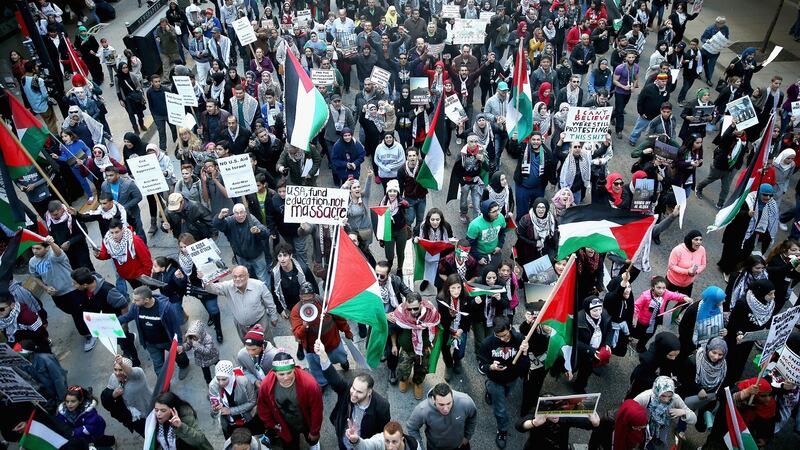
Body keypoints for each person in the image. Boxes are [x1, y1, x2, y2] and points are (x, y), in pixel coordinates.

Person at [314, 339, 391, 450]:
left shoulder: (382, 406)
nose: (353, 394)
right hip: (343, 438)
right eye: (353, 389)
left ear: (369, 392)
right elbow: (334, 379)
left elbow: (381, 433)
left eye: (359, 392)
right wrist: (323, 355)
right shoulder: (348, 389)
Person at [28, 236, 97, 351]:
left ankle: (88, 335)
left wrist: (53, 243)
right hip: (57, 294)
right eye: (33, 248)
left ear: (47, 248)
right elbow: (35, 277)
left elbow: (58, 253)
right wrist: (45, 288)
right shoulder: (33, 261)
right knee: (70, 310)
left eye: (38, 248)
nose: (34, 251)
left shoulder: (54, 254)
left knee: (78, 313)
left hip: (71, 290)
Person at [478, 316, 529, 449]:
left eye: (505, 335)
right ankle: (502, 431)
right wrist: (491, 367)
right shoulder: (487, 343)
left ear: (510, 328)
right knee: (500, 409)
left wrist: (525, 353)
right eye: (498, 336)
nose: (502, 339)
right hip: (495, 379)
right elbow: (481, 366)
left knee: (504, 393)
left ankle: (489, 389)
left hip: (512, 379)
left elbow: (525, 365)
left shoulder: (520, 340)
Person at [117, 286, 190, 377]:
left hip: (168, 341)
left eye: (136, 300)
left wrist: (179, 343)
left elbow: (175, 326)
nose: (133, 302)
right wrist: (112, 321)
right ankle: (163, 386)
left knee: (179, 356)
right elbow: (127, 317)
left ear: (146, 300)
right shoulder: (136, 307)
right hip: (150, 343)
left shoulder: (166, 308)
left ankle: (184, 365)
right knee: (158, 366)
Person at [256, 352, 323, 450]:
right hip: (284, 424)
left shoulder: (310, 384)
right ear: (274, 373)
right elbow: (263, 407)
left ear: (294, 369)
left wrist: (314, 431)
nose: (286, 377)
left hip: (305, 420)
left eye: (289, 372)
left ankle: (313, 444)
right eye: (281, 374)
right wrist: (272, 424)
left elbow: (317, 410)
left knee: (312, 439)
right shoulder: (266, 385)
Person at [291, 282, 353, 387]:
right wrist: (305, 326)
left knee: (340, 355)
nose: (307, 302)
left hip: (332, 343)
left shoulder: (325, 303)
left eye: (309, 299)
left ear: (314, 296)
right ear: (300, 297)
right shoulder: (296, 311)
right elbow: (298, 334)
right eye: (304, 299)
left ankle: (344, 362)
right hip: (313, 348)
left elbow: (339, 318)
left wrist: (347, 331)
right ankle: (322, 383)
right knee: (315, 367)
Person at [204, 265, 280, 344]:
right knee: (249, 346)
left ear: (247, 276)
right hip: (242, 327)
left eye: (241, 276)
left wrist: (273, 316)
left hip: (260, 324)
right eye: (235, 277)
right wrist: (204, 278)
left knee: (267, 344)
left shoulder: (259, 285)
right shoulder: (228, 286)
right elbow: (211, 289)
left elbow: (270, 302)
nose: (237, 279)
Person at [724, 279, 775, 386]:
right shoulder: (743, 303)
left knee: (741, 358)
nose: (773, 296)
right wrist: (739, 334)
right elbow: (733, 322)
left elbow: (767, 320)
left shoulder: (769, 305)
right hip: (736, 338)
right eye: (770, 294)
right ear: (761, 292)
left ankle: (733, 378)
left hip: (750, 338)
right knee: (730, 357)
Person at [391, 291, 441, 398]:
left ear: (421, 304)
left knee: (421, 369)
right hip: (406, 350)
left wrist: (432, 345)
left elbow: (436, 329)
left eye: (415, 308)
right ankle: (404, 380)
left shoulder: (431, 313)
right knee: (402, 369)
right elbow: (393, 330)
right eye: (409, 309)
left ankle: (418, 383)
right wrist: (394, 345)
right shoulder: (400, 313)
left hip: (424, 350)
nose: (412, 311)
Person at [677, 336, 728, 432]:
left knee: (702, 424)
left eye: (721, 354)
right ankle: (680, 430)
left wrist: (715, 394)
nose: (716, 357)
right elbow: (684, 379)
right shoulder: (694, 360)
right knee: (686, 412)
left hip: (708, 396)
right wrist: (698, 389)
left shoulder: (723, 365)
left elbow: (722, 381)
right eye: (714, 352)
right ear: (708, 348)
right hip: (691, 393)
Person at [406, 383, 477, 450]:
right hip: (435, 448)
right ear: (433, 400)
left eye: (449, 403)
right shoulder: (422, 410)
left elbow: (472, 417)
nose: (446, 409)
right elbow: (412, 428)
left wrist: (467, 437)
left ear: (452, 397)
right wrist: (420, 447)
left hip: (460, 445)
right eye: (441, 404)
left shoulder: (465, 402)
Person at [633, 376, 696, 450]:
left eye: (669, 396)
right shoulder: (646, 397)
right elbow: (629, 409)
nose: (666, 400)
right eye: (663, 395)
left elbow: (694, 419)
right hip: (645, 428)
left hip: (663, 430)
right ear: (657, 390)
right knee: (644, 444)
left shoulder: (675, 398)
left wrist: (684, 412)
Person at [632, 276, 692, 352]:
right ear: (653, 287)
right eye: (659, 288)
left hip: (654, 321)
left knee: (648, 335)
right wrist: (634, 317)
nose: (662, 290)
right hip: (642, 321)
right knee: (635, 332)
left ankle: (640, 346)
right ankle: (627, 337)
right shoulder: (645, 296)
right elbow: (636, 306)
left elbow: (675, 296)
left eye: (664, 288)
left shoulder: (666, 293)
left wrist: (684, 298)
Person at [214, 204, 270, 283]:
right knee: (245, 278)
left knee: (263, 278)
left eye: (241, 212)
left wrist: (258, 231)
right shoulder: (230, 221)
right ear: (233, 214)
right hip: (241, 257)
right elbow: (218, 225)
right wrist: (220, 216)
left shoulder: (251, 219)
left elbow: (265, 233)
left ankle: (266, 295)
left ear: (245, 212)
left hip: (257, 255)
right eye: (237, 213)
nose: (240, 215)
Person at [209, 360, 260, 439]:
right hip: (229, 423)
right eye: (218, 379)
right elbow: (214, 414)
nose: (221, 383)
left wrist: (231, 410)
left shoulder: (243, 381)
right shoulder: (213, 386)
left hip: (247, 419)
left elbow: (253, 402)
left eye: (224, 379)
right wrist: (215, 410)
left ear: (230, 376)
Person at [101, 355, 150, 436]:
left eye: (121, 370)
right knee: (146, 434)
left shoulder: (138, 376)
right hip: (134, 418)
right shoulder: (114, 378)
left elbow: (133, 372)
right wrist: (113, 395)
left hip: (148, 410)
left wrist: (122, 363)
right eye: (115, 369)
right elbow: (105, 397)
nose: (117, 373)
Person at [95, 219, 152, 290]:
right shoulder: (107, 241)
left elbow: (146, 259)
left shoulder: (134, 240)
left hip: (140, 276)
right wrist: (99, 255)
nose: (114, 236)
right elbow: (106, 255)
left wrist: (146, 277)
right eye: (111, 233)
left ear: (122, 230)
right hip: (126, 275)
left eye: (117, 232)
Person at [573, 296, 612, 393]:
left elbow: (610, 331)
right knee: (573, 366)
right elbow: (574, 340)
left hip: (594, 352)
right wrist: (590, 350)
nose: (598, 313)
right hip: (581, 351)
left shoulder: (605, 315)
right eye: (595, 310)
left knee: (585, 372)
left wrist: (607, 342)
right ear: (587, 310)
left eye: (600, 309)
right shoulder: (579, 319)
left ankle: (579, 386)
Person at [628, 332, 684, 399]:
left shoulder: (662, 352)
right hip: (641, 385)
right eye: (671, 355)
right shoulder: (649, 360)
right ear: (663, 350)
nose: (673, 358)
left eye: (676, 355)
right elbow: (642, 378)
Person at [677, 285, 727, 359]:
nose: (724, 301)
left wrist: (724, 330)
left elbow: (718, 324)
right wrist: (694, 346)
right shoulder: (693, 310)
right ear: (714, 300)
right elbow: (683, 329)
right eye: (721, 300)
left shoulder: (718, 308)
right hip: (688, 346)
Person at [101, 166, 145, 241]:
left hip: (132, 213)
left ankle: (144, 249)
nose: (108, 178)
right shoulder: (104, 185)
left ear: (118, 175)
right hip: (116, 215)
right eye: (107, 175)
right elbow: (104, 198)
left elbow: (138, 197)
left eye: (111, 175)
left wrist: (124, 207)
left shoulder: (129, 184)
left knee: (139, 233)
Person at [236, 324, 279, 389]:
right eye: (247, 349)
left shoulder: (273, 355)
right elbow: (242, 370)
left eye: (254, 349)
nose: (250, 352)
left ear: (262, 346)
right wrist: (254, 381)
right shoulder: (241, 355)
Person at [466, 200, 507, 268]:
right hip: (481, 254)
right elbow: (470, 243)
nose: (497, 213)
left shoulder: (500, 217)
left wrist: (500, 246)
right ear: (486, 213)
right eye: (494, 211)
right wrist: (478, 257)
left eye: (498, 209)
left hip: (495, 252)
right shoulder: (475, 225)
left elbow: (502, 232)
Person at [666, 230, 706, 295]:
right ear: (689, 240)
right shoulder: (678, 250)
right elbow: (671, 266)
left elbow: (703, 264)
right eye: (696, 239)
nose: (699, 242)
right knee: (663, 302)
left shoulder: (702, 250)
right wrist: (687, 271)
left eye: (700, 240)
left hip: (688, 284)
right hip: (672, 281)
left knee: (685, 303)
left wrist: (695, 271)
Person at [182, 319, 220, 384]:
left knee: (218, 364)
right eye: (192, 337)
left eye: (195, 337)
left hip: (212, 356)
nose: (193, 339)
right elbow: (188, 345)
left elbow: (207, 351)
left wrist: (198, 346)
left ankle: (223, 372)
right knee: (206, 375)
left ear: (200, 333)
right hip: (202, 361)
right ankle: (209, 383)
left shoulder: (208, 339)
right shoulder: (191, 339)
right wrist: (183, 348)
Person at [345, 421, 420, 450]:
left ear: (402, 439)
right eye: (387, 441)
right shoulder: (379, 440)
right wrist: (356, 440)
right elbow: (366, 446)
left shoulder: (414, 446)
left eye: (394, 442)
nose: (390, 447)